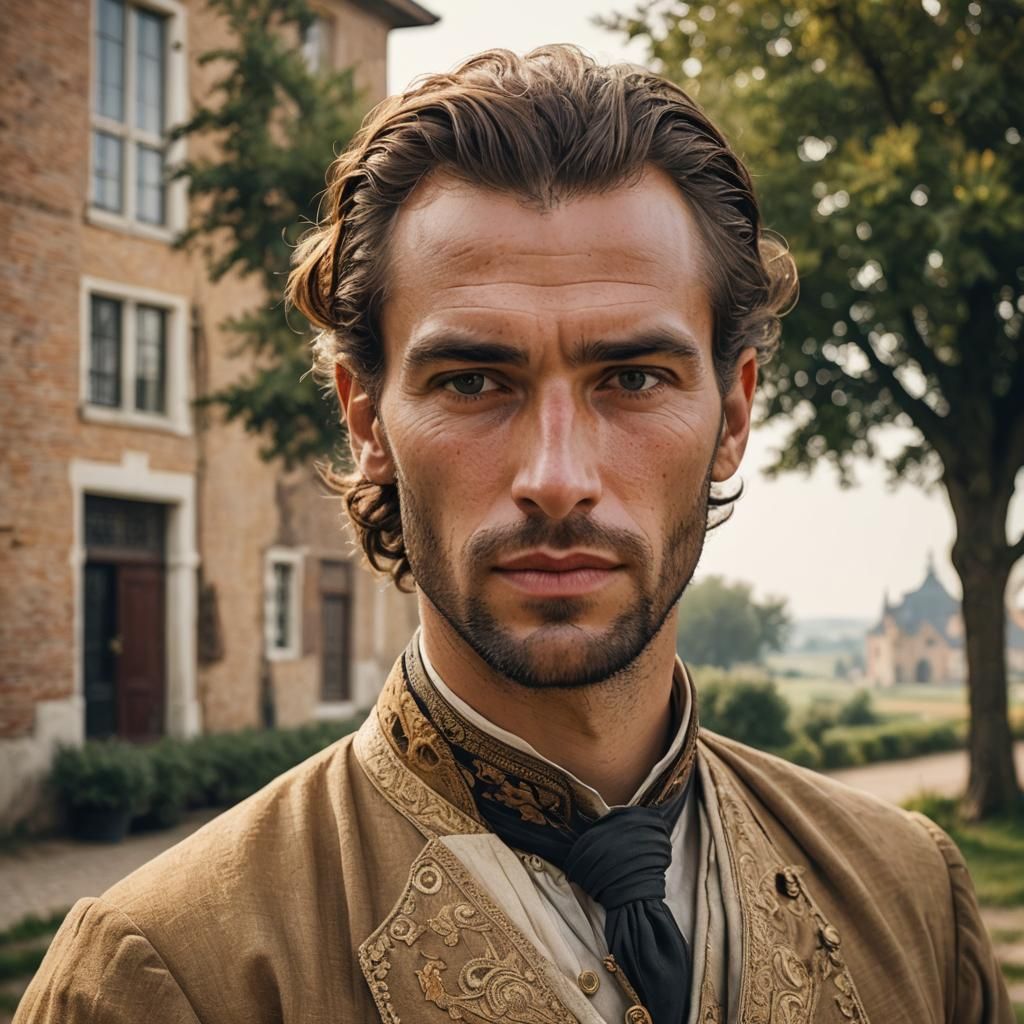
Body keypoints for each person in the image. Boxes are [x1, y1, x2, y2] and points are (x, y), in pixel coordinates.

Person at [18, 46, 1010, 1024]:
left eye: (633, 378)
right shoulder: (162, 979)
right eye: (473, 382)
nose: (557, 477)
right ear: (365, 420)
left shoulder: (911, 899)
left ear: (734, 413)